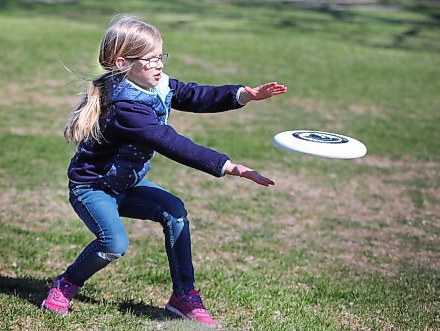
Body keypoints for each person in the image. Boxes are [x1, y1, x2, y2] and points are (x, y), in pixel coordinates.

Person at [41, 14, 287, 328]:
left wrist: (242, 95)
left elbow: (195, 94)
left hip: (128, 184)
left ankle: (183, 297)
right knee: (114, 244)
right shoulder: (125, 108)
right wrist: (232, 168)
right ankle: (65, 284)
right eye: (151, 60)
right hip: (94, 188)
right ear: (122, 63)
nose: (159, 65)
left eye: (161, 57)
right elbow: (171, 142)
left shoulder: (155, 84)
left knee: (175, 212)